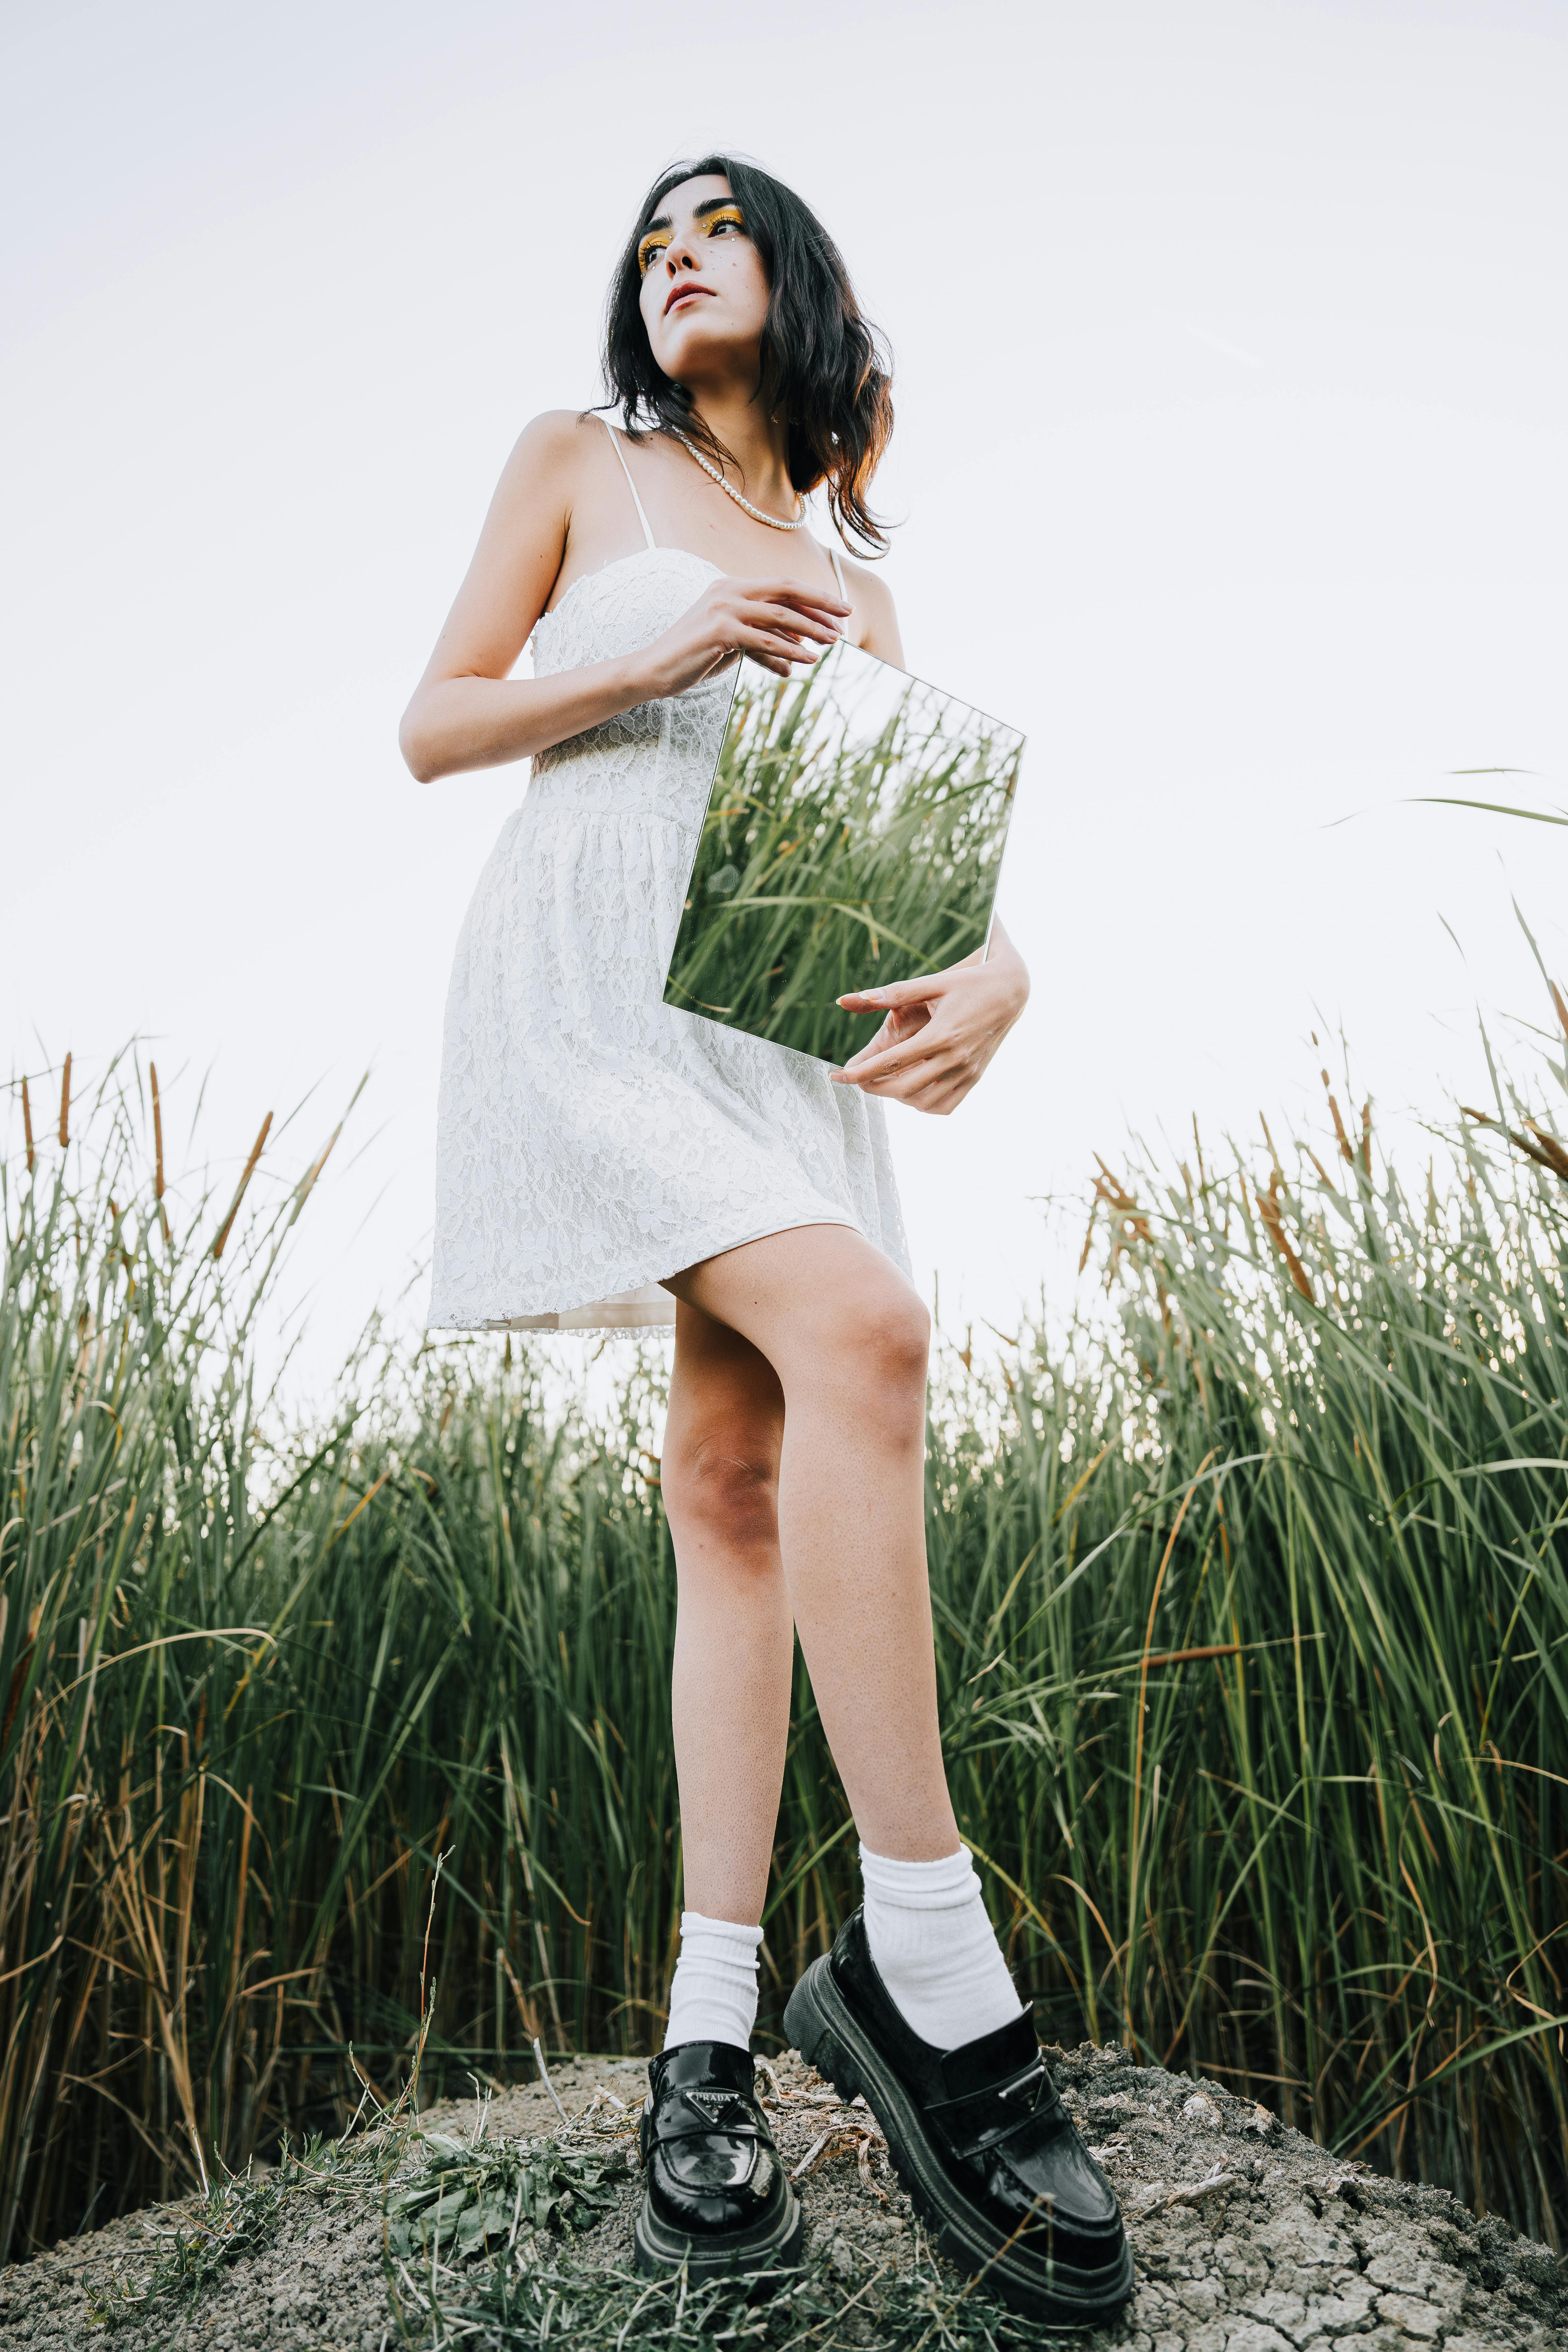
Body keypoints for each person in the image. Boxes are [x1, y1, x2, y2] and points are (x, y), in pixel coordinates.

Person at [399, 154, 1130, 2323]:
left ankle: (702, 2049)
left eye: (713, 224)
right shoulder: (578, 466)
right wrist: (673, 647)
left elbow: (897, 881)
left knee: (731, 1490)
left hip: (767, 1044)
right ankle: (925, 1962)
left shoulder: (854, 586)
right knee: (873, 1331)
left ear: (794, 279)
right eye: (649, 238)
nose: (670, 252)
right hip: (588, 999)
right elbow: (434, 723)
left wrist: (1004, 970)